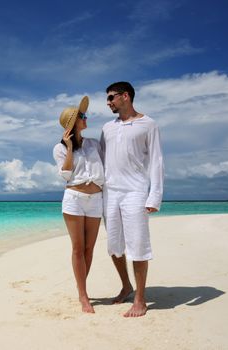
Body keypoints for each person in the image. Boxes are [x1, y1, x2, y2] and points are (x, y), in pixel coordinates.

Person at [100, 82, 164, 317]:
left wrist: (154, 196)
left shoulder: (148, 124)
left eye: (111, 98)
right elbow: (102, 160)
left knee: (137, 245)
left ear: (125, 96)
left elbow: (157, 161)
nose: (108, 103)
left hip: (136, 191)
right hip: (110, 193)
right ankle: (126, 285)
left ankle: (140, 298)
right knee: (114, 245)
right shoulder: (107, 127)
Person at [53, 96, 104, 313]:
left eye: (84, 115)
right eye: (81, 116)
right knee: (77, 249)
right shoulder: (60, 148)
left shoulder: (94, 144)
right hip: (74, 199)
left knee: (89, 249)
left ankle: (81, 287)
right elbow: (65, 175)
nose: (86, 118)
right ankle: (83, 295)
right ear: (72, 123)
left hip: (96, 200)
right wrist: (70, 145)